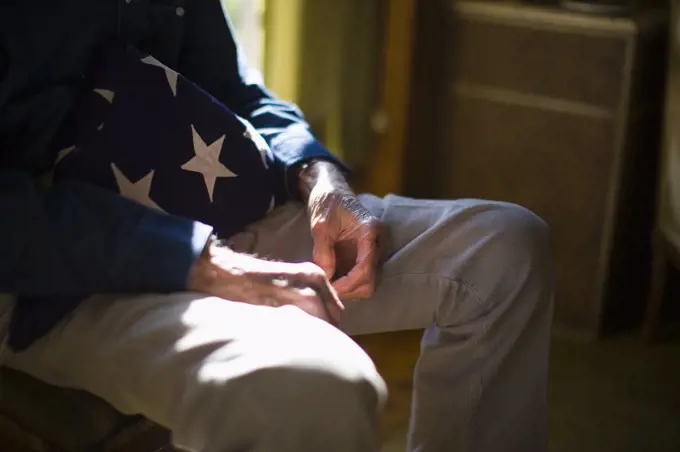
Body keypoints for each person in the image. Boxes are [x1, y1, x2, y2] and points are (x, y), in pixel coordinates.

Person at [0, 1, 554, 451]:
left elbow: (237, 90)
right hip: (58, 270)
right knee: (318, 384)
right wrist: (201, 262)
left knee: (504, 248)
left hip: (206, 206)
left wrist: (322, 180)